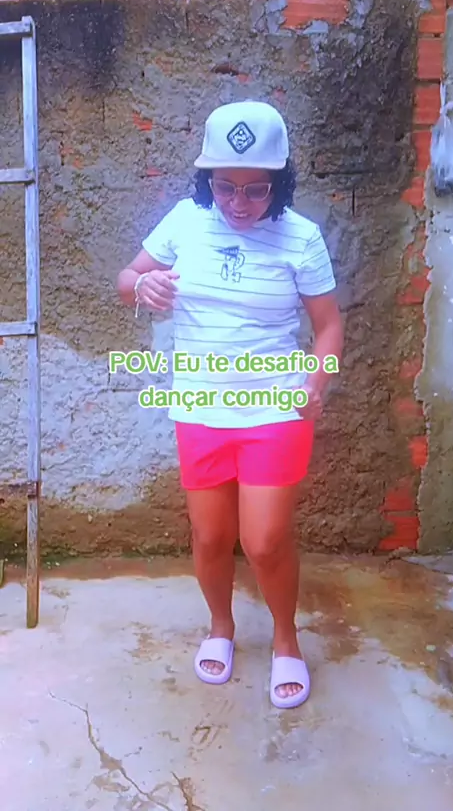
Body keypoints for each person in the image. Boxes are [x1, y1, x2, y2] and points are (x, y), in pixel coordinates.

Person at [117, 100, 343, 709]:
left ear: (279, 183)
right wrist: (143, 285)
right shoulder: (185, 221)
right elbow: (126, 279)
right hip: (199, 408)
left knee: (264, 540)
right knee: (211, 535)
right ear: (206, 181)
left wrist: (318, 381)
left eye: (255, 189)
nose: (239, 203)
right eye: (225, 187)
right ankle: (221, 626)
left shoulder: (302, 237)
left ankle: (287, 639)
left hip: (275, 408)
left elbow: (327, 327)